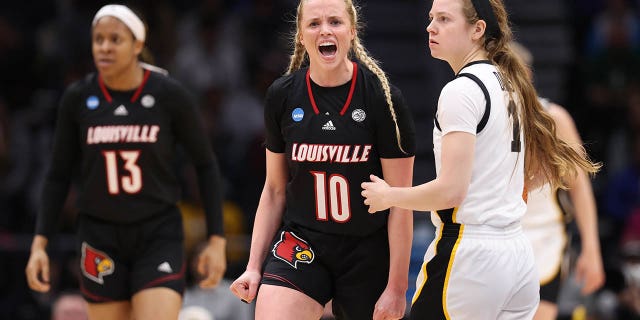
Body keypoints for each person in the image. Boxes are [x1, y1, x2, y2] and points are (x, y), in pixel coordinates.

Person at [361, 0, 601, 319]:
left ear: (477, 30)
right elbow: (543, 172)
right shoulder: (513, 87)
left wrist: (390, 196)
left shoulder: (462, 90)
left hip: (471, 255)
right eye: (432, 18)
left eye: (444, 19)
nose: (430, 27)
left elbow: (451, 192)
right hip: (517, 253)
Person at [24, 4, 226, 320]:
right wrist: (40, 243)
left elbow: (205, 165)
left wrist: (216, 239)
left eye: (115, 39)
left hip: (157, 232)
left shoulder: (168, 95)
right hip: (99, 236)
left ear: (137, 45)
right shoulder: (78, 98)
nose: (104, 47)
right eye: (98, 39)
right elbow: (58, 175)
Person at [229, 0, 416, 319]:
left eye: (335, 22)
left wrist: (397, 289)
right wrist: (253, 267)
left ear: (352, 32)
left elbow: (401, 201)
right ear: (301, 35)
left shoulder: (382, 97)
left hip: (366, 248)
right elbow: (274, 189)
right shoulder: (283, 95)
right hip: (303, 241)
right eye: (314, 23)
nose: (325, 30)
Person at [509, 41, 605, 320]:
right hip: (496, 238)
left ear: (525, 74)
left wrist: (591, 248)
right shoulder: (483, 118)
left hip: (543, 238)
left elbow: (581, 189)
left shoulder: (555, 119)